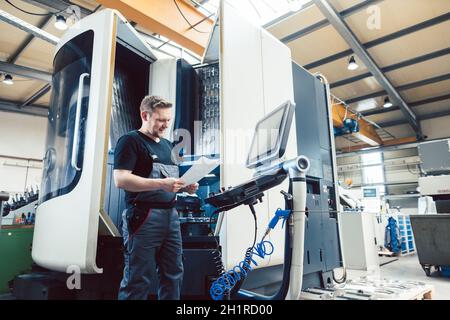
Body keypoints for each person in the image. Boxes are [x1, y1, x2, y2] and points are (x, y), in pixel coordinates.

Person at [114, 95, 198, 300]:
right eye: (161, 119)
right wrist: (162, 183)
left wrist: (185, 187)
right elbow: (121, 179)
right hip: (143, 216)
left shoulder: (169, 146)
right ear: (145, 115)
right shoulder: (130, 141)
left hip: (171, 216)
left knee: (173, 275)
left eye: (168, 120)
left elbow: (171, 183)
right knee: (138, 278)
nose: (166, 124)